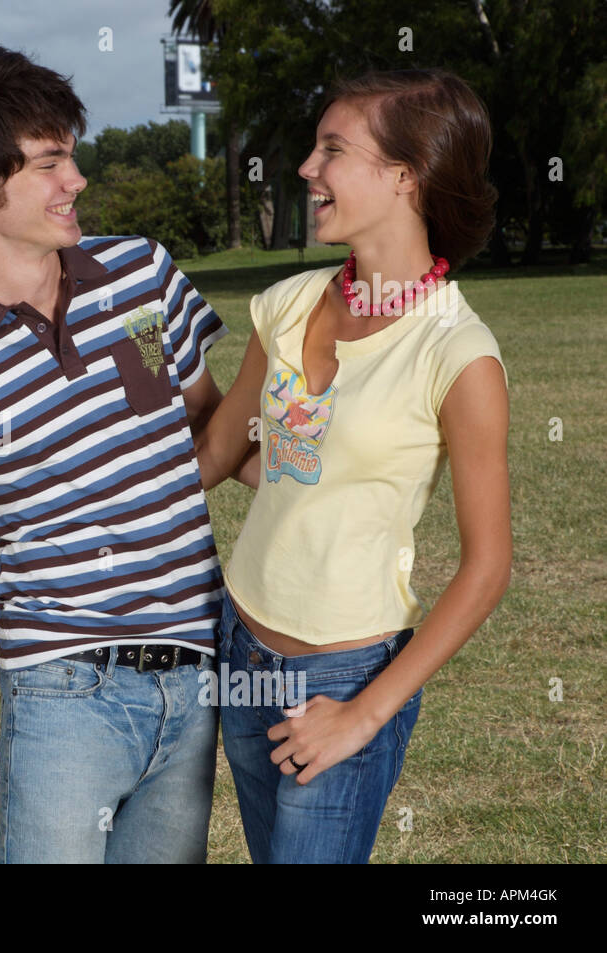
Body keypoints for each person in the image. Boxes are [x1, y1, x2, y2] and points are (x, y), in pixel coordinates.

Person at [0, 42, 258, 864]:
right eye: (49, 163)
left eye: (71, 157)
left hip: (198, 678)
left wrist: (338, 462)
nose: (75, 180)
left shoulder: (142, 278)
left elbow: (217, 431)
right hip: (62, 696)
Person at [194, 68, 511, 863]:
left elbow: (488, 567)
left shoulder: (458, 354)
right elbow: (219, 454)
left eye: (332, 149)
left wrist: (364, 713)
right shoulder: (288, 302)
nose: (306, 167)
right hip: (240, 648)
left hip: (344, 677)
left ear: (405, 176)